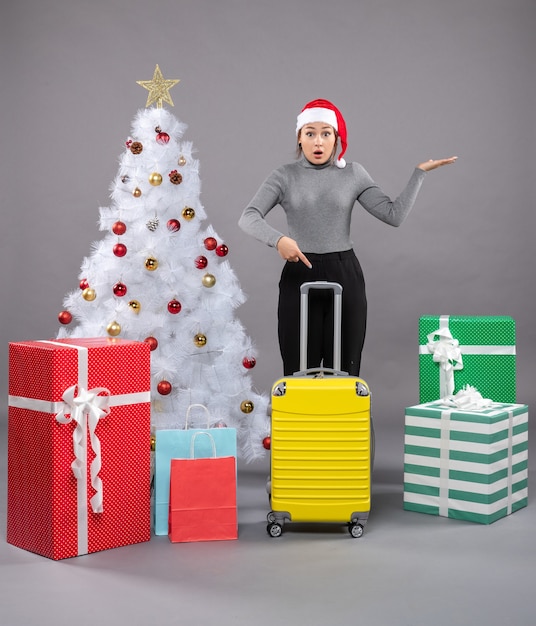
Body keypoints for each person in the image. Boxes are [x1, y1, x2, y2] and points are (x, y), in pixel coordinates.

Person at [238, 99, 457, 377]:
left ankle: (341, 419)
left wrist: (419, 174)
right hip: (299, 273)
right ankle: (302, 419)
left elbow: (393, 215)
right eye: (310, 133)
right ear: (300, 138)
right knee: (297, 364)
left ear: (337, 138)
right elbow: (248, 216)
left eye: (325, 133)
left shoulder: (353, 173)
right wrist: (278, 240)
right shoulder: (284, 176)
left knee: (344, 365)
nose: (318, 142)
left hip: (344, 273)